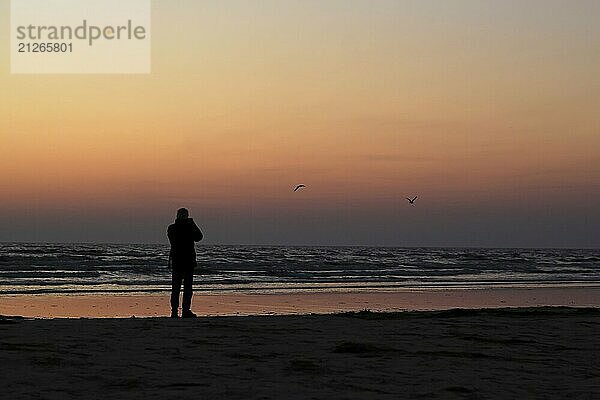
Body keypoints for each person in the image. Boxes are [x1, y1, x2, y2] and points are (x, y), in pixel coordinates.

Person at [167, 208, 203, 318]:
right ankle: (185, 310)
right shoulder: (188, 227)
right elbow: (199, 237)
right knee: (187, 288)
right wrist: (192, 224)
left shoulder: (172, 228)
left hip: (178, 260)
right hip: (187, 260)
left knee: (176, 288)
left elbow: (198, 238)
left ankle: (175, 311)